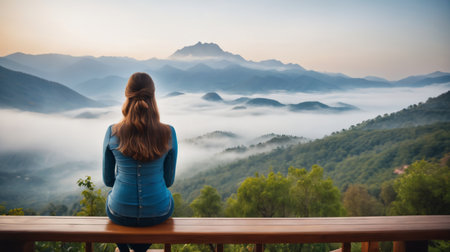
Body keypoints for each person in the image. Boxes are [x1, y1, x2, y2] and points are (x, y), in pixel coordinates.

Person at [102, 72, 177, 252]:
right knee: (167, 200)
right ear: (153, 96)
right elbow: (169, 181)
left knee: (112, 199)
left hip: (120, 213)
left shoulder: (112, 132)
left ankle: (124, 249)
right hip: (157, 212)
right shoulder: (169, 133)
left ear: (127, 95)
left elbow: (108, 181)